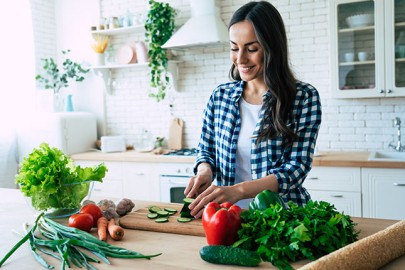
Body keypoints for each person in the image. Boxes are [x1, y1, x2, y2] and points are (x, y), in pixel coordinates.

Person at [184, 1, 322, 218]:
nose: (240, 59)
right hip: (227, 217)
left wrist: (238, 191)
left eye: (252, 49)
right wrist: (204, 170)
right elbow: (206, 150)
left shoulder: (303, 97)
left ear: (272, 47)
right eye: (234, 48)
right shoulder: (220, 96)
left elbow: (296, 169)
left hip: (283, 219)